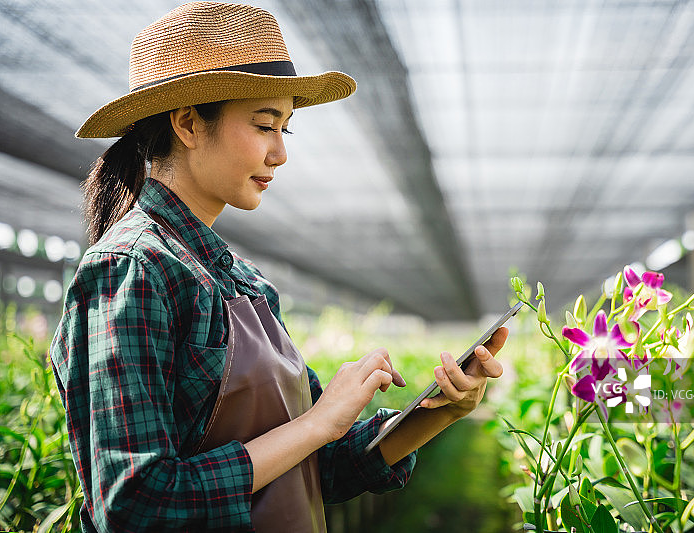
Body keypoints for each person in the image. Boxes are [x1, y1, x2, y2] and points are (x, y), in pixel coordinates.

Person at [49, 2, 508, 532]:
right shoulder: (132, 270)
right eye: (266, 125)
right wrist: (315, 424)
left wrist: (440, 411)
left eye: (286, 128)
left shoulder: (243, 282)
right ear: (187, 123)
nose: (280, 153)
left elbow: (317, 467)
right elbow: (135, 503)